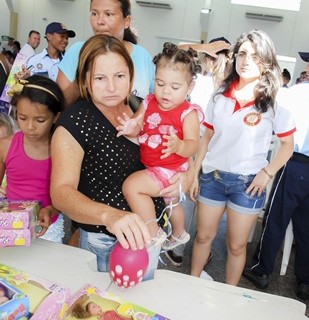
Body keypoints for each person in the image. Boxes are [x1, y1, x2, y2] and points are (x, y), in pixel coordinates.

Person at [50, 34, 194, 278]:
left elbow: (171, 152)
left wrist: (188, 174)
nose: (111, 87)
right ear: (85, 78)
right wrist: (110, 216)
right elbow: (61, 193)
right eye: (99, 78)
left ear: (131, 74)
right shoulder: (75, 121)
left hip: (149, 236)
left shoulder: (139, 106)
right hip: (106, 243)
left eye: (119, 76)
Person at [189, 29, 295, 285]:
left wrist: (267, 172)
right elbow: (206, 138)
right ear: (235, 57)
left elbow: (287, 145)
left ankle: (229, 296)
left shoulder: (274, 102)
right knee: (203, 237)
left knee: (236, 246)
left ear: (267, 62)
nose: (247, 60)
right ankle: (190, 286)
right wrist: (194, 173)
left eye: (256, 56)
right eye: (243, 54)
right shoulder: (219, 97)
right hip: (212, 178)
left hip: (248, 184)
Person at [116, 42, 203, 250]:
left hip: (169, 167)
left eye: (175, 87)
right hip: (156, 165)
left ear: (189, 87)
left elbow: (194, 145)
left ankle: (154, 233)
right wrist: (131, 126)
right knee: (171, 202)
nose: (165, 92)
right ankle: (179, 233)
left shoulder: (188, 113)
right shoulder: (148, 101)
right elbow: (138, 125)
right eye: (160, 83)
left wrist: (179, 145)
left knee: (132, 187)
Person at [242, 52, 309, 300]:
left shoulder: (296, 93)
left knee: (276, 218)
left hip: (295, 163)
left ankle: (262, 270)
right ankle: (304, 282)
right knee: (306, 227)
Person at [0, 75, 65, 243]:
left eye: (40, 120)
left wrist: (50, 210)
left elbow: (68, 194)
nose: (30, 127)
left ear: (56, 117)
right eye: (22, 118)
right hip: (10, 227)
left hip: (49, 229)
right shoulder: (5, 146)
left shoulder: (63, 150)